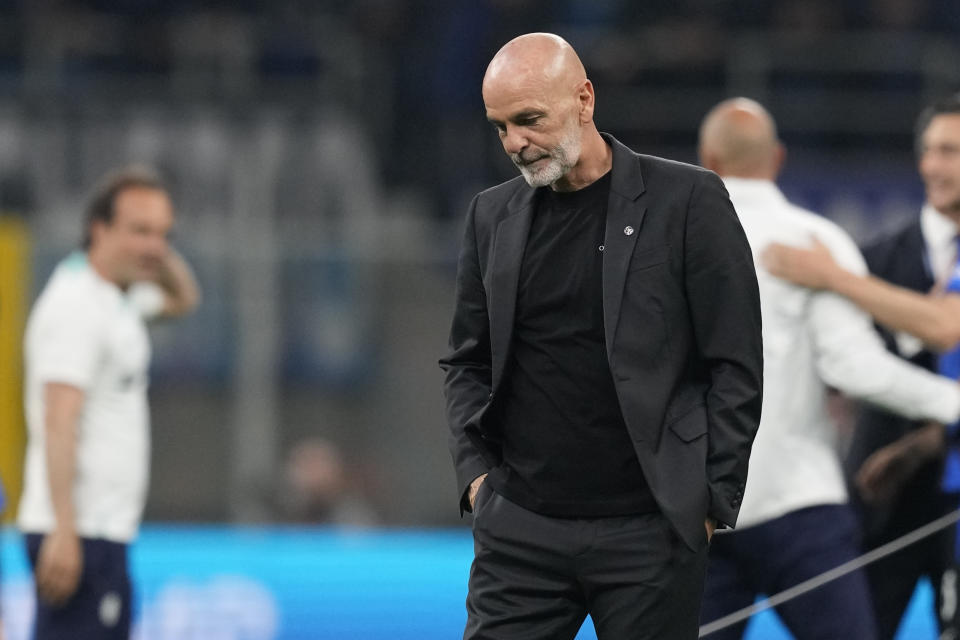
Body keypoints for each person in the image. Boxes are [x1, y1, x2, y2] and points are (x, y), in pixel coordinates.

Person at [439, 33, 764, 640]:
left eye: (529, 120)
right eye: (500, 127)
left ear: (584, 99)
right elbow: (465, 361)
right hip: (519, 529)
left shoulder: (687, 200)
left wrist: (711, 500)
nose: (515, 143)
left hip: (650, 529)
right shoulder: (490, 215)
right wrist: (477, 479)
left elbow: (735, 361)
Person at [695, 97, 960, 639]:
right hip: (803, 503)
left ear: (708, 158)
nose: (934, 164)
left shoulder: (665, 240)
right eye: (930, 150)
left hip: (696, 506)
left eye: (950, 151)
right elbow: (858, 366)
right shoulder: (814, 240)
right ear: (779, 158)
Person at [17, 166, 200, 640]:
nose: (155, 246)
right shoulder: (77, 305)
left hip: (101, 530)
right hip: (79, 530)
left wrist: (151, 248)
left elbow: (184, 299)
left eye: (163, 234)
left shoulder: (117, 297)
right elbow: (59, 420)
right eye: (139, 230)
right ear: (99, 230)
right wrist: (64, 528)